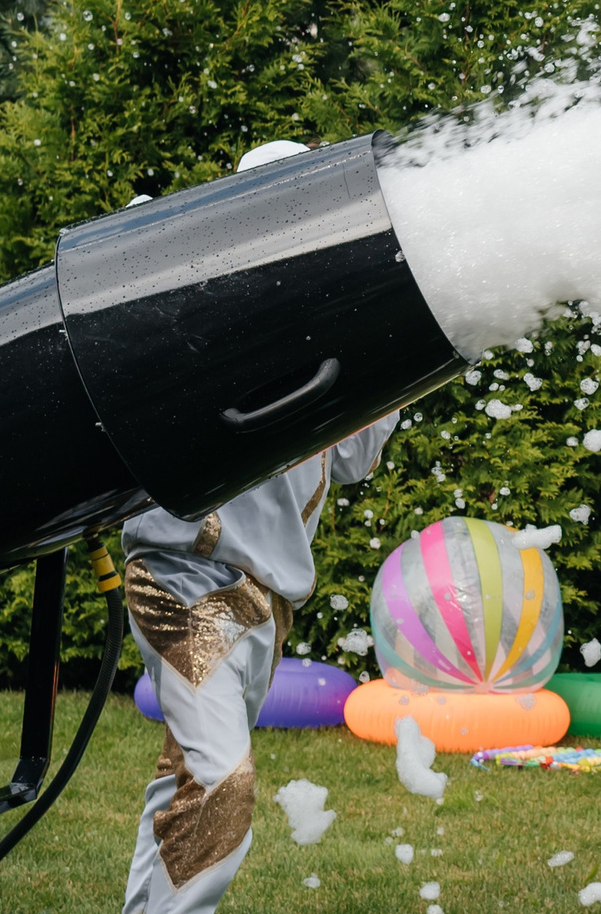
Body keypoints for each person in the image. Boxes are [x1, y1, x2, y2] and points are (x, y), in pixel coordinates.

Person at [119, 140, 401, 913]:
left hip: (263, 604)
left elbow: (353, 458)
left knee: (188, 780)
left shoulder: (321, 325)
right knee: (220, 784)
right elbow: (133, 255)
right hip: (187, 581)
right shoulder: (213, 298)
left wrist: (389, 340)